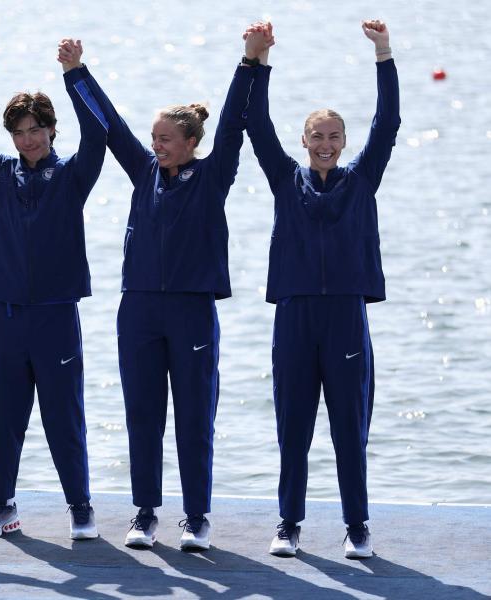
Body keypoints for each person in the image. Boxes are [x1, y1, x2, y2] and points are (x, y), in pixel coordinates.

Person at [78, 29, 260, 550]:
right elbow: (110, 126)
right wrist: (76, 74)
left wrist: (250, 64)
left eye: (164, 139)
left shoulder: (212, 175)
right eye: (154, 138)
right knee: (143, 416)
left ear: (189, 144)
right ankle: (144, 514)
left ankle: (197, 518)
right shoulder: (143, 172)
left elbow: (232, 125)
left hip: (191, 311)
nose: (155, 145)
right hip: (137, 310)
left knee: (194, 418)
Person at [244, 21, 399, 559]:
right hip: (294, 317)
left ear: (344, 143)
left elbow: (389, 121)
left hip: (346, 318)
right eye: (317, 137)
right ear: (304, 142)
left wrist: (383, 53)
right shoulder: (285, 180)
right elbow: (255, 122)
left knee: (349, 430)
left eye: (335, 137)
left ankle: (357, 527)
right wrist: (258, 62)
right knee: (294, 428)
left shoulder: (362, 180)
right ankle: (289, 523)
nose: (326, 145)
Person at [0, 37, 107, 539]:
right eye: (19, 132)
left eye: (36, 129)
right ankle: (2, 505)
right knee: (4, 416)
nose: (28, 139)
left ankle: (80, 507)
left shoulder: (73, 175)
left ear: (52, 130)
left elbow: (99, 132)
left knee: (64, 417)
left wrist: (75, 73)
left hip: (57, 315)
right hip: (9, 317)